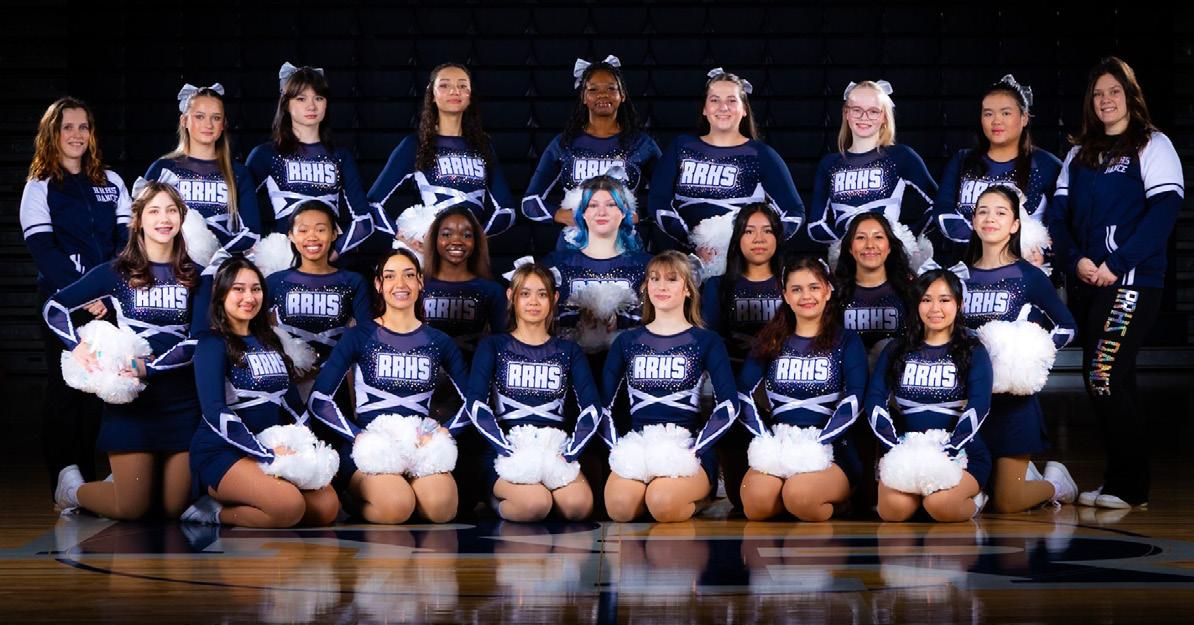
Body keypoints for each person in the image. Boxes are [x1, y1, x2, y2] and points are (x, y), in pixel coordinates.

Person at [1047, 57, 1184, 509]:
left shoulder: (1153, 144)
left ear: (1130, 95)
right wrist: (1076, 260)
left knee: (1103, 373)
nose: (1106, 100)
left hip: (1132, 281)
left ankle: (1130, 486)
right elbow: (1058, 219)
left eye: (1114, 92)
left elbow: (1163, 214)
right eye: (1098, 94)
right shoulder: (1078, 153)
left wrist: (1116, 263)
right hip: (1090, 282)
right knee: (1109, 378)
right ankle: (1121, 481)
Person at [45, 181, 201, 519]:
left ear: (181, 217)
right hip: (133, 404)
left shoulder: (197, 276)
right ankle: (72, 490)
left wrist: (150, 367)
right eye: (154, 211)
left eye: (171, 210)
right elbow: (54, 308)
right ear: (138, 220)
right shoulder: (116, 272)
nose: (164, 219)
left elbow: (198, 340)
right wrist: (76, 346)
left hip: (181, 400)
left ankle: (130, 482)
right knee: (133, 508)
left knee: (174, 507)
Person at [307, 248, 470, 524]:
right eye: (390, 276)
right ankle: (356, 498)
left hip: (420, 447)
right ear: (378, 284)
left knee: (441, 508)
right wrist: (359, 437)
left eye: (409, 275)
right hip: (372, 448)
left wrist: (444, 432)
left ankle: (408, 494)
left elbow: (474, 403)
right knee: (396, 507)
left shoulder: (438, 340)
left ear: (420, 281)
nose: (400, 284)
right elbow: (319, 400)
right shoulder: (360, 336)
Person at [20, 96, 131, 494]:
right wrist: (83, 295)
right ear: (52, 133)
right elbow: (44, 250)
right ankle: (64, 479)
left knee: (102, 388)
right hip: (61, 305)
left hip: (109, 304)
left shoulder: (112, 182)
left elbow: (125, 243)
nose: (77, 134)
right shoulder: (39, 187)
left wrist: (108, 293)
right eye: (67, 127)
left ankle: (90, 479)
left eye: (83, 127)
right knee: (66, 386)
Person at [183, 256, 340, 528]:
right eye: (238, 289)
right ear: (221, 294)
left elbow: (293, 405)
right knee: (288, 507)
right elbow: (215, 412)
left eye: (255, 289)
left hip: (273, 446)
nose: (249, 297)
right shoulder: (211, 343)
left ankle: (260, 497)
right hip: (225, 451)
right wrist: (265, 453)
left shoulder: (271, 341)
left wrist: (307, 449)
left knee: (326, 508)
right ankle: (212, 511)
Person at [961, 185, 1077, 512]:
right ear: (973, 221)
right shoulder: (958, 274)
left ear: (1015, 225)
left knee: (1007, 503)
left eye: (1001, 212)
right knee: (971, 493)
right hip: (969, 400)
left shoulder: (1029, 276)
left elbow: (1067, 326)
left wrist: (1030, 355)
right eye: (983, 211)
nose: (990, 218)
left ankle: (1056, 482)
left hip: (1012, 403)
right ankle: (1019, 475)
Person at [601, 251, 739, 522]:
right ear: (646, 286)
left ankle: (703, 495)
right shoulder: (627, 342)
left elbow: (729, 406)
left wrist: (695, 450)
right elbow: (601, 407)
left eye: (672, 279)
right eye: (654, 279)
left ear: (688, 289)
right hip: (639, 445)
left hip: (686, 446)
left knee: (662, 503)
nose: (661, 286)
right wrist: (620, 449)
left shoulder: (706, 340)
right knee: (620, 508)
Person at [466, 262, 603, 522]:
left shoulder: (568, 351)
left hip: (553, 450)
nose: (533, 302)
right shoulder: (494, 346)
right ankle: (494, 502)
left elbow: (592, 408)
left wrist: (570, 452)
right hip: (506, 451)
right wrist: (506, 449)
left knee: (578, 507)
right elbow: (475, 404)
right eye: (525, 293)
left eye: (542, 294)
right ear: (511, 296)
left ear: (554, 298)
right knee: (535, 505)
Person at [737, 256, 867, 521]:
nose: (806, 296)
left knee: (800, 497)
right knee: (757, 504)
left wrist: (817, 443)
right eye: (796, 289)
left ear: (828, 291)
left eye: (814, 287)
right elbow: (742, 393)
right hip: (781, 444)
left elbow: (855, 398)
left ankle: (838, 502)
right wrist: (767, 440)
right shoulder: (771, 340)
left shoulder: (847, 341)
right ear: (785, 295)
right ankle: (788, 500)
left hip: (830, 449)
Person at [866, 269, 993, 522]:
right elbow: (874, 399)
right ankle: (922, 499)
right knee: (893, 511)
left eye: (944, 300)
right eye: (926, 299)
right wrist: (895, 447)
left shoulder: (973, 350)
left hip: (961, 452)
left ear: (959, 304)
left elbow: (979, 405)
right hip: (909, 448)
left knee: (941, 506)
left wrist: (951, 448)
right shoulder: (897, 349)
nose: (935, 308)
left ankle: (975, 499)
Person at [648, 69, 803, 260]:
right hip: (686, 263)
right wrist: (692, 241)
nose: (723, 107)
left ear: (744, 109)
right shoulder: (681, 147)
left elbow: (794, 212)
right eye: (715, 100)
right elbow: (658, 201)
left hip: (740, 263)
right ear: (704, 109)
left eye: (732, 100)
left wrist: (757, 243)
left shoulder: (761, 154)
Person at [369, 62, 516, 256]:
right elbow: (373, 203)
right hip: (432, 254)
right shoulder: (415, 145)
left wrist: (475, 237)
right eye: (445, 85)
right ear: (432, 95)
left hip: (471, 255)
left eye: (462, 85)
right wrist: (404, 237)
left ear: (470, 96)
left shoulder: (482, 145)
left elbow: (507, 210)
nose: (455, 91)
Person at [521, 55, 660, 248]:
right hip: (573, 247)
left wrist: (637, 214)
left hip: (624, 246)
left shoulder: (641, 143)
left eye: (611, 88)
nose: (603, 95)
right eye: (593, 89)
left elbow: (664, 198)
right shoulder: (564, 143)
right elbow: (529, 203)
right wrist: (562, 215)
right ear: (584, 97)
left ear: (622, 95)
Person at [246, 63, 374, 259]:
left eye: (319, 98)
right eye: (301, 98)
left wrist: (332, 254)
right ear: (286, 104)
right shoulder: (267, 154)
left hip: (329, 266)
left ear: (326, 104)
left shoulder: (340, 157)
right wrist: (259, 251)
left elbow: (364, 221)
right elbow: (237, 208)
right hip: (283, 264)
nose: (311, 106)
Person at [932, 75, 1061, 265]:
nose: (996, 121)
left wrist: (1044, 252)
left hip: (1023, 268)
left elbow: (1062, 222)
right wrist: (985, 244)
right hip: (967, 268)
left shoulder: (1045, 164)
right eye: (988, 114)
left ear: (1024, 118)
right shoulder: (963, 160)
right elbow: (942, 211)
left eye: (1006, 113)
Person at [806, 80, 937, 245]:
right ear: (846, 113)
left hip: (888, 255)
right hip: (845, 256)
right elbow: (815, 226)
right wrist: (852, 243)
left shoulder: (900, 156)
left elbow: (940, 207)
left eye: (873, 111)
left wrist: (903, 237)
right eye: (857, 110)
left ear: (884, 116)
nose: (864, 117)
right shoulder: (830, 163)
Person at [267, 200, 372, 399]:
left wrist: (334, 367)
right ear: (290, 235)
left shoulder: (353, 281)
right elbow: (255, 331)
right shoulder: (275, 281)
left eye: (321, 229)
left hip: (335, 380)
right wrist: (284, 362)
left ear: (334, 234)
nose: (312, 237)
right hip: (290, 380)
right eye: (303, 230)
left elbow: (366, 335)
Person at [145, 83, 261, 255]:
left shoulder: (238, 173)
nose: (208, 124)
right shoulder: (162, 169)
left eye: (216, 118)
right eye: (199, 116)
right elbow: (142, 222)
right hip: (173, 263)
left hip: (221, 265)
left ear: (223, 124)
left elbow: (252, 233)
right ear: (184, 121)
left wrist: (212, 252)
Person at [420, 206, 506, 356]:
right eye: (447, 234)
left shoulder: (492, 290)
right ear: (435, 238)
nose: (456, 241)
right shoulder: (418, 285)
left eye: (466, 235)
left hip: (474, 369)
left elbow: (502, 346)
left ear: (475, 241)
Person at [833, 213, 916, 351]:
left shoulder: (910, 291)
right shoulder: (834, 293)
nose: (870, 245)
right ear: (850, 248)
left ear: (889, 247)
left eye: (878, 237)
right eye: (861, 237)